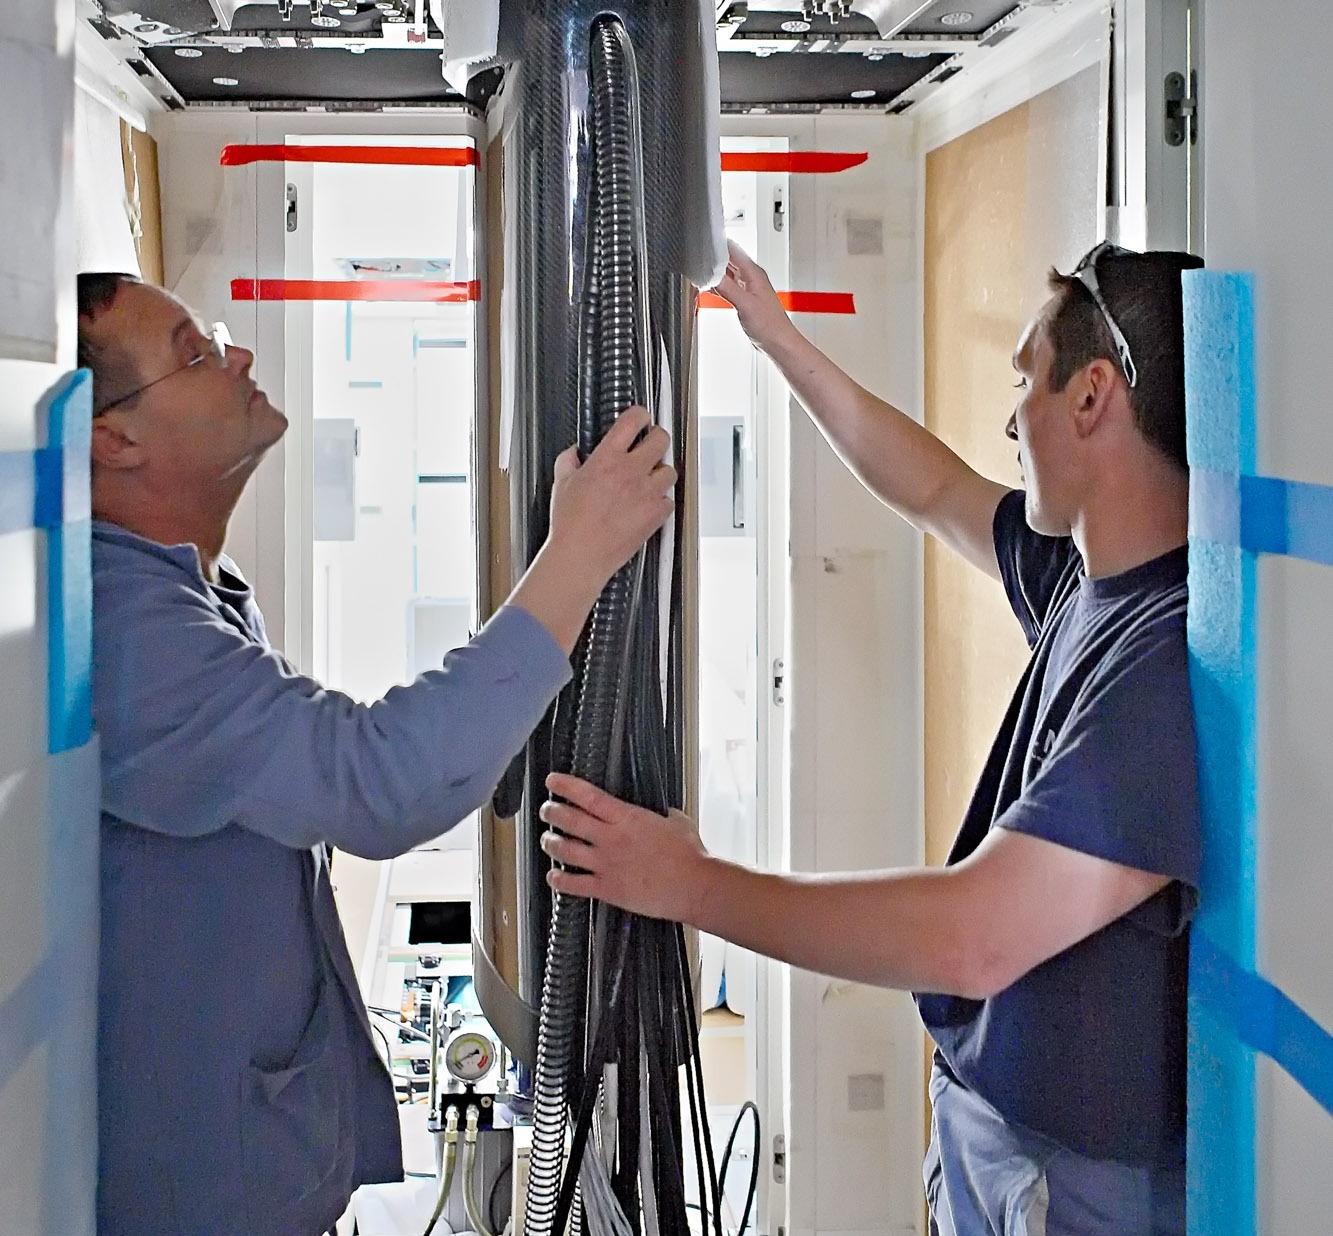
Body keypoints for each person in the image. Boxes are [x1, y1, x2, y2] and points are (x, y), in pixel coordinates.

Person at [540, 238, 1204, 1236]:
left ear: (1089, 396)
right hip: (997, 1138)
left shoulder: (1161, 661)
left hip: (1071, 1183)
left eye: (1023, 378)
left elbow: (972, 937)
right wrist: (777, 338)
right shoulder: (1085, 578)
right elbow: (930, 488)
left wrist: (689, 884)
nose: (1009, 421)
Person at [78, 271, 676, 1236]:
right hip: (192, 1192)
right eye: (195, 352)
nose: (238, 355)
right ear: (113, 439)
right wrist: (578, 553)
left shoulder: (188, 587)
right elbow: (379, 782)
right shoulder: (127, 631)